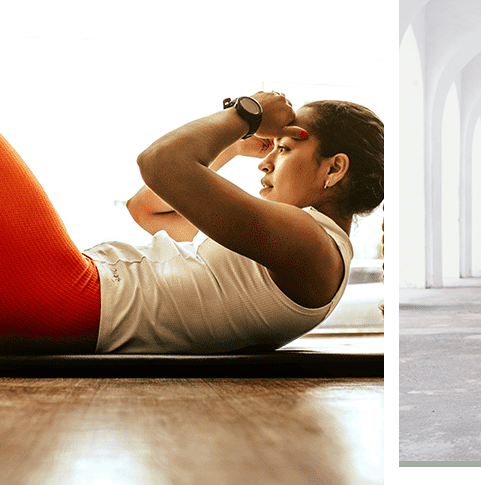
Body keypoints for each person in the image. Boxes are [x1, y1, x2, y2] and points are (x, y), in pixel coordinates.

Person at [0, 91, 384, 354]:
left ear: (334, 169)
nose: (266, 162)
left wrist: (245, 116)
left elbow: (159, 162)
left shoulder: (311, 244)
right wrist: (234, 146)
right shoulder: (277, 250)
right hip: (66, 295)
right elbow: (148, 209)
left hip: (71, 295)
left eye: (283, 149)